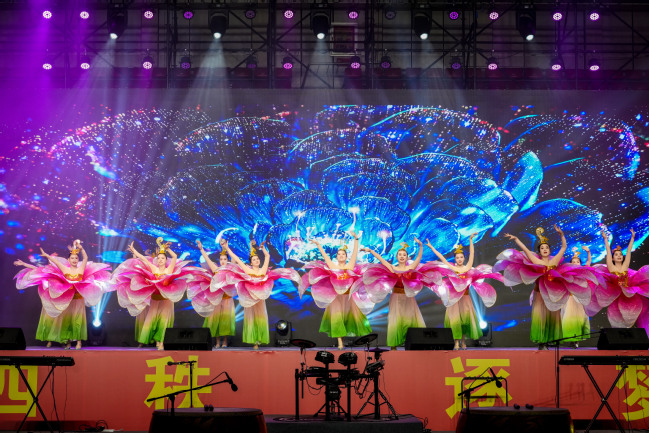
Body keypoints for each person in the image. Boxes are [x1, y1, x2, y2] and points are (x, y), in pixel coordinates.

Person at [494, 225, 593, 349]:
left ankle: (549, 340)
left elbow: (564, 247)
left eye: (546, 248)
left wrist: (561, 235)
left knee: (552, 317)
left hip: (553, 295)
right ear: (539, 252)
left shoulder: (555, 261)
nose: (545, 249)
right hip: (540, 294)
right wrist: (516, 239)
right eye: (542, 248)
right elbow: (525, 250)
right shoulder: (537, 262)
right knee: (540, 317)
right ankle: (542, 342)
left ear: (549, 251)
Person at [111, 238, 196, 349]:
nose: (160, 260)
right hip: (155, 299)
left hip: (166, 301)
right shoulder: (154, 269)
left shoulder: (169, 270)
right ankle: (153, 340)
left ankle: (161, 342)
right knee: (152, 321)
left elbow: (175, 257)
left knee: (163, 321)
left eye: (162, 258)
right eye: (159, 258)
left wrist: (167, 249)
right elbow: (143, 259)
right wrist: (134, 250)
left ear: (166, 260)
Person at [220, 239, 301, 349]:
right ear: (251, 262)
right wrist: (227, 248)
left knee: (260, 319)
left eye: (257, 259)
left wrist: (262, 248)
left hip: (260, 299)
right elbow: (237, 259)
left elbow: (267, 257)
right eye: (254, 259)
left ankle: (258, 340)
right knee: (252, 319)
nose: (256, 260)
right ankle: (254, 340)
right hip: (250, 299)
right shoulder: (248, 270)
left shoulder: (263, 270)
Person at [426, 234, 502, 350]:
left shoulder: (467, 268)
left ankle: (463, 341)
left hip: (465, 298)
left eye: (461, 257)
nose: (460, 259)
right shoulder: (452, 268)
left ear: (464, 258)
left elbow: (472, 254)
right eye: (457, 257)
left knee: (465, 321)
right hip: (454, 300)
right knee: (455, 321)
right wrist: (432, 247)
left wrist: (471, 240)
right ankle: (456, 342)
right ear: (455, 259)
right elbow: (441, 257)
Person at [32, 240, 110, 349]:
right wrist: (46, 255)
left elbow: (86, 258)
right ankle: (67, 341)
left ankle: (79, 342)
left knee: (77, 320)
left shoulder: (80, 269)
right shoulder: (65, 269)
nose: (74, 260)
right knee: (67, 321)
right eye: (72, 258)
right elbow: (56, 262)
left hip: (78, 299)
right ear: (69, 260)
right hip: (68, 300)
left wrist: (81, 249)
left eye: (76, 258)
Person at [302, 232, 373, 350]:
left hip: (348, 298)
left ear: (346, 256)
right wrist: (318, 244)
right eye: (339, 254)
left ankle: (342, 340)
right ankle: (340, 342)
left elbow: (355, 254)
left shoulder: (349, 266)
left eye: (343, 254)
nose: (341, 256)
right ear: (336, 257)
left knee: (346, 320)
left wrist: (356, 239)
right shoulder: (333, 267)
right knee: (337, 319)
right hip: (336, 299)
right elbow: (325, 256)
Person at [360, 238, 432, 349]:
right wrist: (371, 251)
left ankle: (414, 342)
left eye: (404, 255)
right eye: (400, 255)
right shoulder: (392, 268)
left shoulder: (410, 268)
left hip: (408, 297)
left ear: (407, 257)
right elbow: (381, 260)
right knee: (395, 319)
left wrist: (421, 246)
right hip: (396, 297)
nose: (402, 256)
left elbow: (418, 258)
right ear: (397, 257)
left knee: (410, 319)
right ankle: (394, 344)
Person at [187, 240, 237, 349]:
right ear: (219, 260)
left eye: (225, 259)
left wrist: (227, 248)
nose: (223, 261)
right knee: (215, 320)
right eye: (221, 259)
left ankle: (225, 341)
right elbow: (207, 259)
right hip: (216, 299)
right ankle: (217, 341)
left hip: (227, 298)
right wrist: (201, 249)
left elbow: (233, 259)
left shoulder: (230, 269)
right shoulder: (216, 269)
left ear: (227, 260)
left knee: (226, 320)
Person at [562, 246, 593, 347]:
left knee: (580, 318)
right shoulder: (567, 273)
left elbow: (588, 262)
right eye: (573, 262)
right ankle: (572, 339)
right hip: (570, 298)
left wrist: (588, 252)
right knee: (570, 318)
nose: (576, 263)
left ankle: (577, 340)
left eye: (577, 262)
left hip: (580, 299)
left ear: (580, 264)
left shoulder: (583, 271)